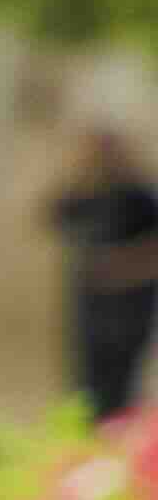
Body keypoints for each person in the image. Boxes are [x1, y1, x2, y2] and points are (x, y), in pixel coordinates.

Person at [56, 120, 158, 424]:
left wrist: (122, 266)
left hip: (129, 309)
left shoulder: (141, 198)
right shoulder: (87, 196)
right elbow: (55, 214)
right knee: (85, 387)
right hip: (91, 309)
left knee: (120, 388)